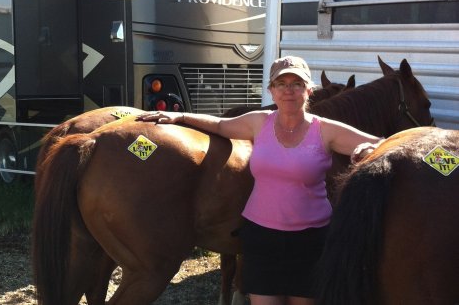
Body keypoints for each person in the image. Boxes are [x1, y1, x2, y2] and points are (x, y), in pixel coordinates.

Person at [137, 55, 383, 305]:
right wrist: (182, 117)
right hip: (262, 238)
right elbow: (221, 125)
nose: (289, 90)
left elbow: (381, 144)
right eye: (281, 83)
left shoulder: (326, 130)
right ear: (271, 91)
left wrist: (365, 149)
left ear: (309, 90)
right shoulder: (258, 122)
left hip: (310, 241)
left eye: (296, 83)